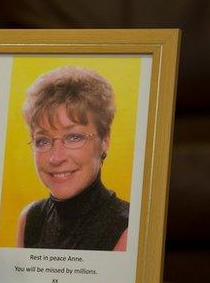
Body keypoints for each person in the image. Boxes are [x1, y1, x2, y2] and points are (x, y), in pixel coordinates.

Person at [15, 66, 128, 251]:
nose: (56, 157)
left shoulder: (128, 229)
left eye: (73, 137)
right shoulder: (30, 219)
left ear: (104, 140)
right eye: (42, 140)